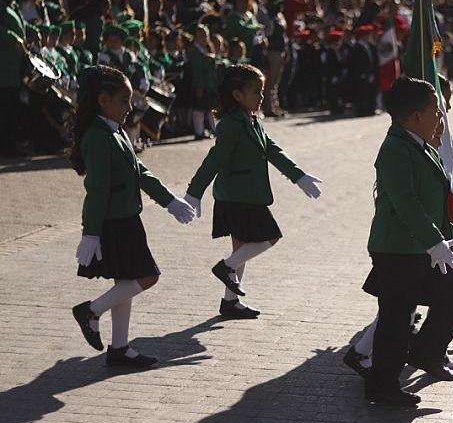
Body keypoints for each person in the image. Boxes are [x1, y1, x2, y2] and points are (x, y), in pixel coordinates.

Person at [360, 77, 453, 406]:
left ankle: (428, 353)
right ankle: (381, 386)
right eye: (436, 111)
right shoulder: (395, 149)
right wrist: (435, 242)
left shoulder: (422, 145)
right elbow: (407, 203)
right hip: (397, 248)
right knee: (397, 318)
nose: (440, 117)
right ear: (416, 116)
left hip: (424, 245)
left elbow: (434, 206)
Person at [70, 66, 196, 368]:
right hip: (114, 221)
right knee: (147, 276)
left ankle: (120, 348)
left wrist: (170, 201)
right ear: (103, 100)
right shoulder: (98, 136)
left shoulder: (115, 130)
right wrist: (91, 232)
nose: (130, 107)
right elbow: (97, 189)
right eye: (123, 100)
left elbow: (139, 172)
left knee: (125, 281)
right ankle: (90, 311)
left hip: (127, 217)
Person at [183, 64, 323, 320]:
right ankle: (225, 268)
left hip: (247, 195)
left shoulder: (252, 120)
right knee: (269, 237)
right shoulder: (231, 125)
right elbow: (214, 160)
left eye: (262, 91)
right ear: (237, 95)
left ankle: (230, 302)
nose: (261, 96)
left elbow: (272, 150)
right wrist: (194, 192)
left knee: (241, 249)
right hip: (237, 196)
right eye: (256, 92)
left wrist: (299, 176)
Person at [0, 0, 27, 158]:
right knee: (4, 110)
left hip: (14, 69)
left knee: (11, 110)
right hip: (3, 68)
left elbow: (22, 26)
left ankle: (9, 145)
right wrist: (12, 38)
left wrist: (33, 32)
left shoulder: (12, 6)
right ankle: (6, 147)